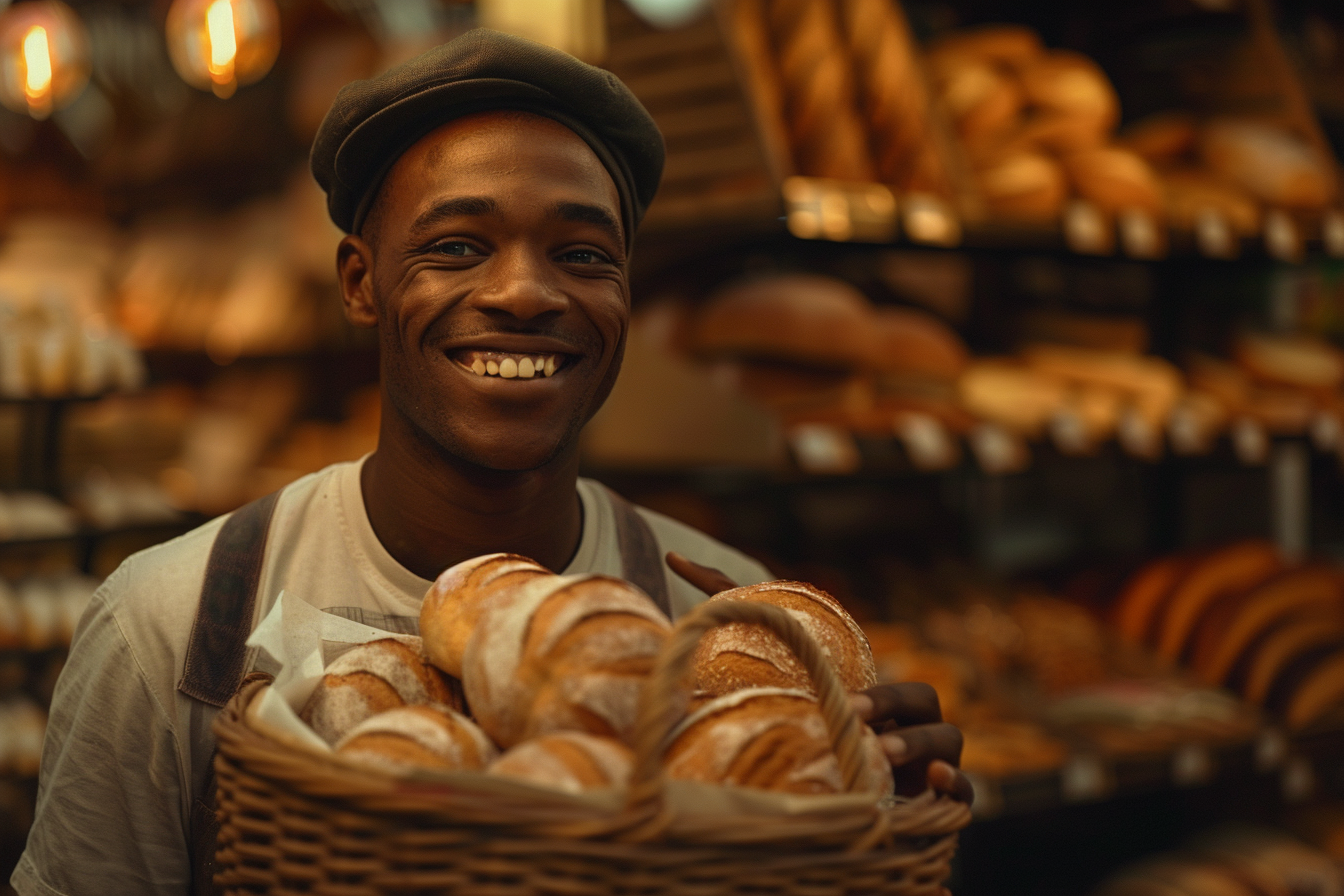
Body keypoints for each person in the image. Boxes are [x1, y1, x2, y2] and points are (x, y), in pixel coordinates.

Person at [12, 29, 968, 896]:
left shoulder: (730, 642)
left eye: (584, 255)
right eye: (458, 246)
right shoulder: (173, 629)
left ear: (625, 294)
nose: (523, 293)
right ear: (362, 283)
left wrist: (871, 805)